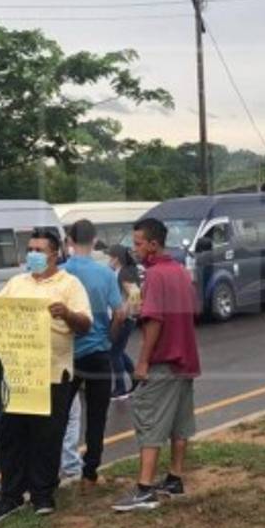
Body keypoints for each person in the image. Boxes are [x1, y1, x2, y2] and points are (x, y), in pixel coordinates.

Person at [0, 229, 92, 522]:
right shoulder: (16, 283)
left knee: (47, 435)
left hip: (53, 374)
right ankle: (11, 496)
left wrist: (66, 314)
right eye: (30, 248)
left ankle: (43, 493)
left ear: (55, 254)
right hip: (15, 374)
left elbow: (84, 324)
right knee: (11, 435)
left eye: (39, 249)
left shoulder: (69, 284)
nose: (32, 254)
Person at [112, 218, 201, 513]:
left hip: (163, 361)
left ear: (153, 244)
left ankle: (145, 488)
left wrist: (142, 361)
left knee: (149, 421)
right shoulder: (179, 272)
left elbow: (154, 322)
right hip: (185, 359)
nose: (135, 250)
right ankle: (174, 478)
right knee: (179, 422)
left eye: (138, 244)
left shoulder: (155, 275)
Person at [60, 220, 124, 487]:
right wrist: (109, 338)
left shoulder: (62, 273)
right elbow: (120, 313)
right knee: (97, 416)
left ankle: (55, 469)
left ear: (69, 241)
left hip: (66, 354)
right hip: (98, 352)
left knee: (60, 414)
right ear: (95, 239)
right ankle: (90, 472)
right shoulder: (106, 274)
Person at [108, 245, 142, 400]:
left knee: (114, 353)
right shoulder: (126, 271)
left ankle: (120, 389)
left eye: (111, 257)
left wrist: (124, 311)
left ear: (116, 258)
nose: (109, 260)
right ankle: (136, 379)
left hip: (124, 318)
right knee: (119, 351)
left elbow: (134, 293)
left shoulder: (124, 273)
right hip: (127, 318)